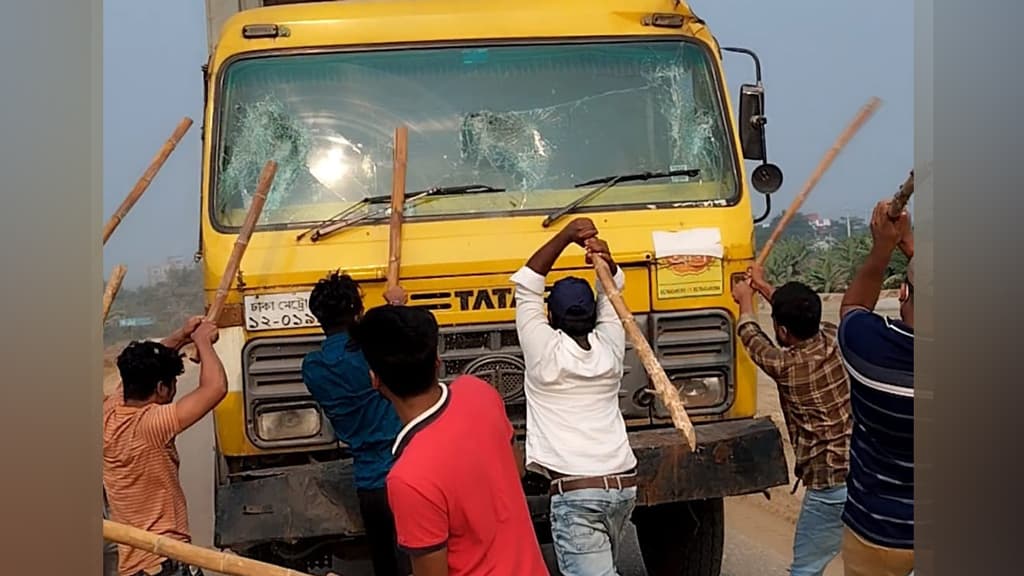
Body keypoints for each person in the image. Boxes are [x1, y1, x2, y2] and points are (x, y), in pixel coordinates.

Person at [352, 305, 548, 576]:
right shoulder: (478, 391)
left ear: (375, 380)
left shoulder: (408, 479)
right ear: (437, 361)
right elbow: (517, 470)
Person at [510, 217, 637, 576]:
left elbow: (528, 286)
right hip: (622, 487)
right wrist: (607, 263)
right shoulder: (610, 349)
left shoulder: (543, 353)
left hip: (578, 494)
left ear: (550, 316)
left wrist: (566, 236)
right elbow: (613, 296)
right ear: (596, 313)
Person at [732, 267, 852, 576]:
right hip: (864, 474)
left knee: (806, 569)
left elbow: (751, 336)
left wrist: (745, 301)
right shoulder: (831, 337)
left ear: (783, 330)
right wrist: (763, 287)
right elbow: (798, 314)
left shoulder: (786, 365)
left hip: (829, 482)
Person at [302, 271, 411, 576]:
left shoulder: (313, 367)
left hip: (367, 483)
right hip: (405, 468)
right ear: (357, 310)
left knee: (386, 565)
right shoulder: (372, 352)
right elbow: (410, 348)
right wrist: (398, 308)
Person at [103, 317, 227, 576]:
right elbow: (215, 387)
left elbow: (144, 364)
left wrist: (183, 334)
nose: (173, 393)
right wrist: (203, 342)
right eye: (172, 387)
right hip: (165, 562)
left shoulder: (108, 411)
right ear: (161, 388)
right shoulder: (152, 424)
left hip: (133, 566)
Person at [837, 200, 915, 576]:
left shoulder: (872, 349)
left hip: (877, 534)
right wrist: (912, 248)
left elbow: (853, 307)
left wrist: (884, 248)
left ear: (902, 293)